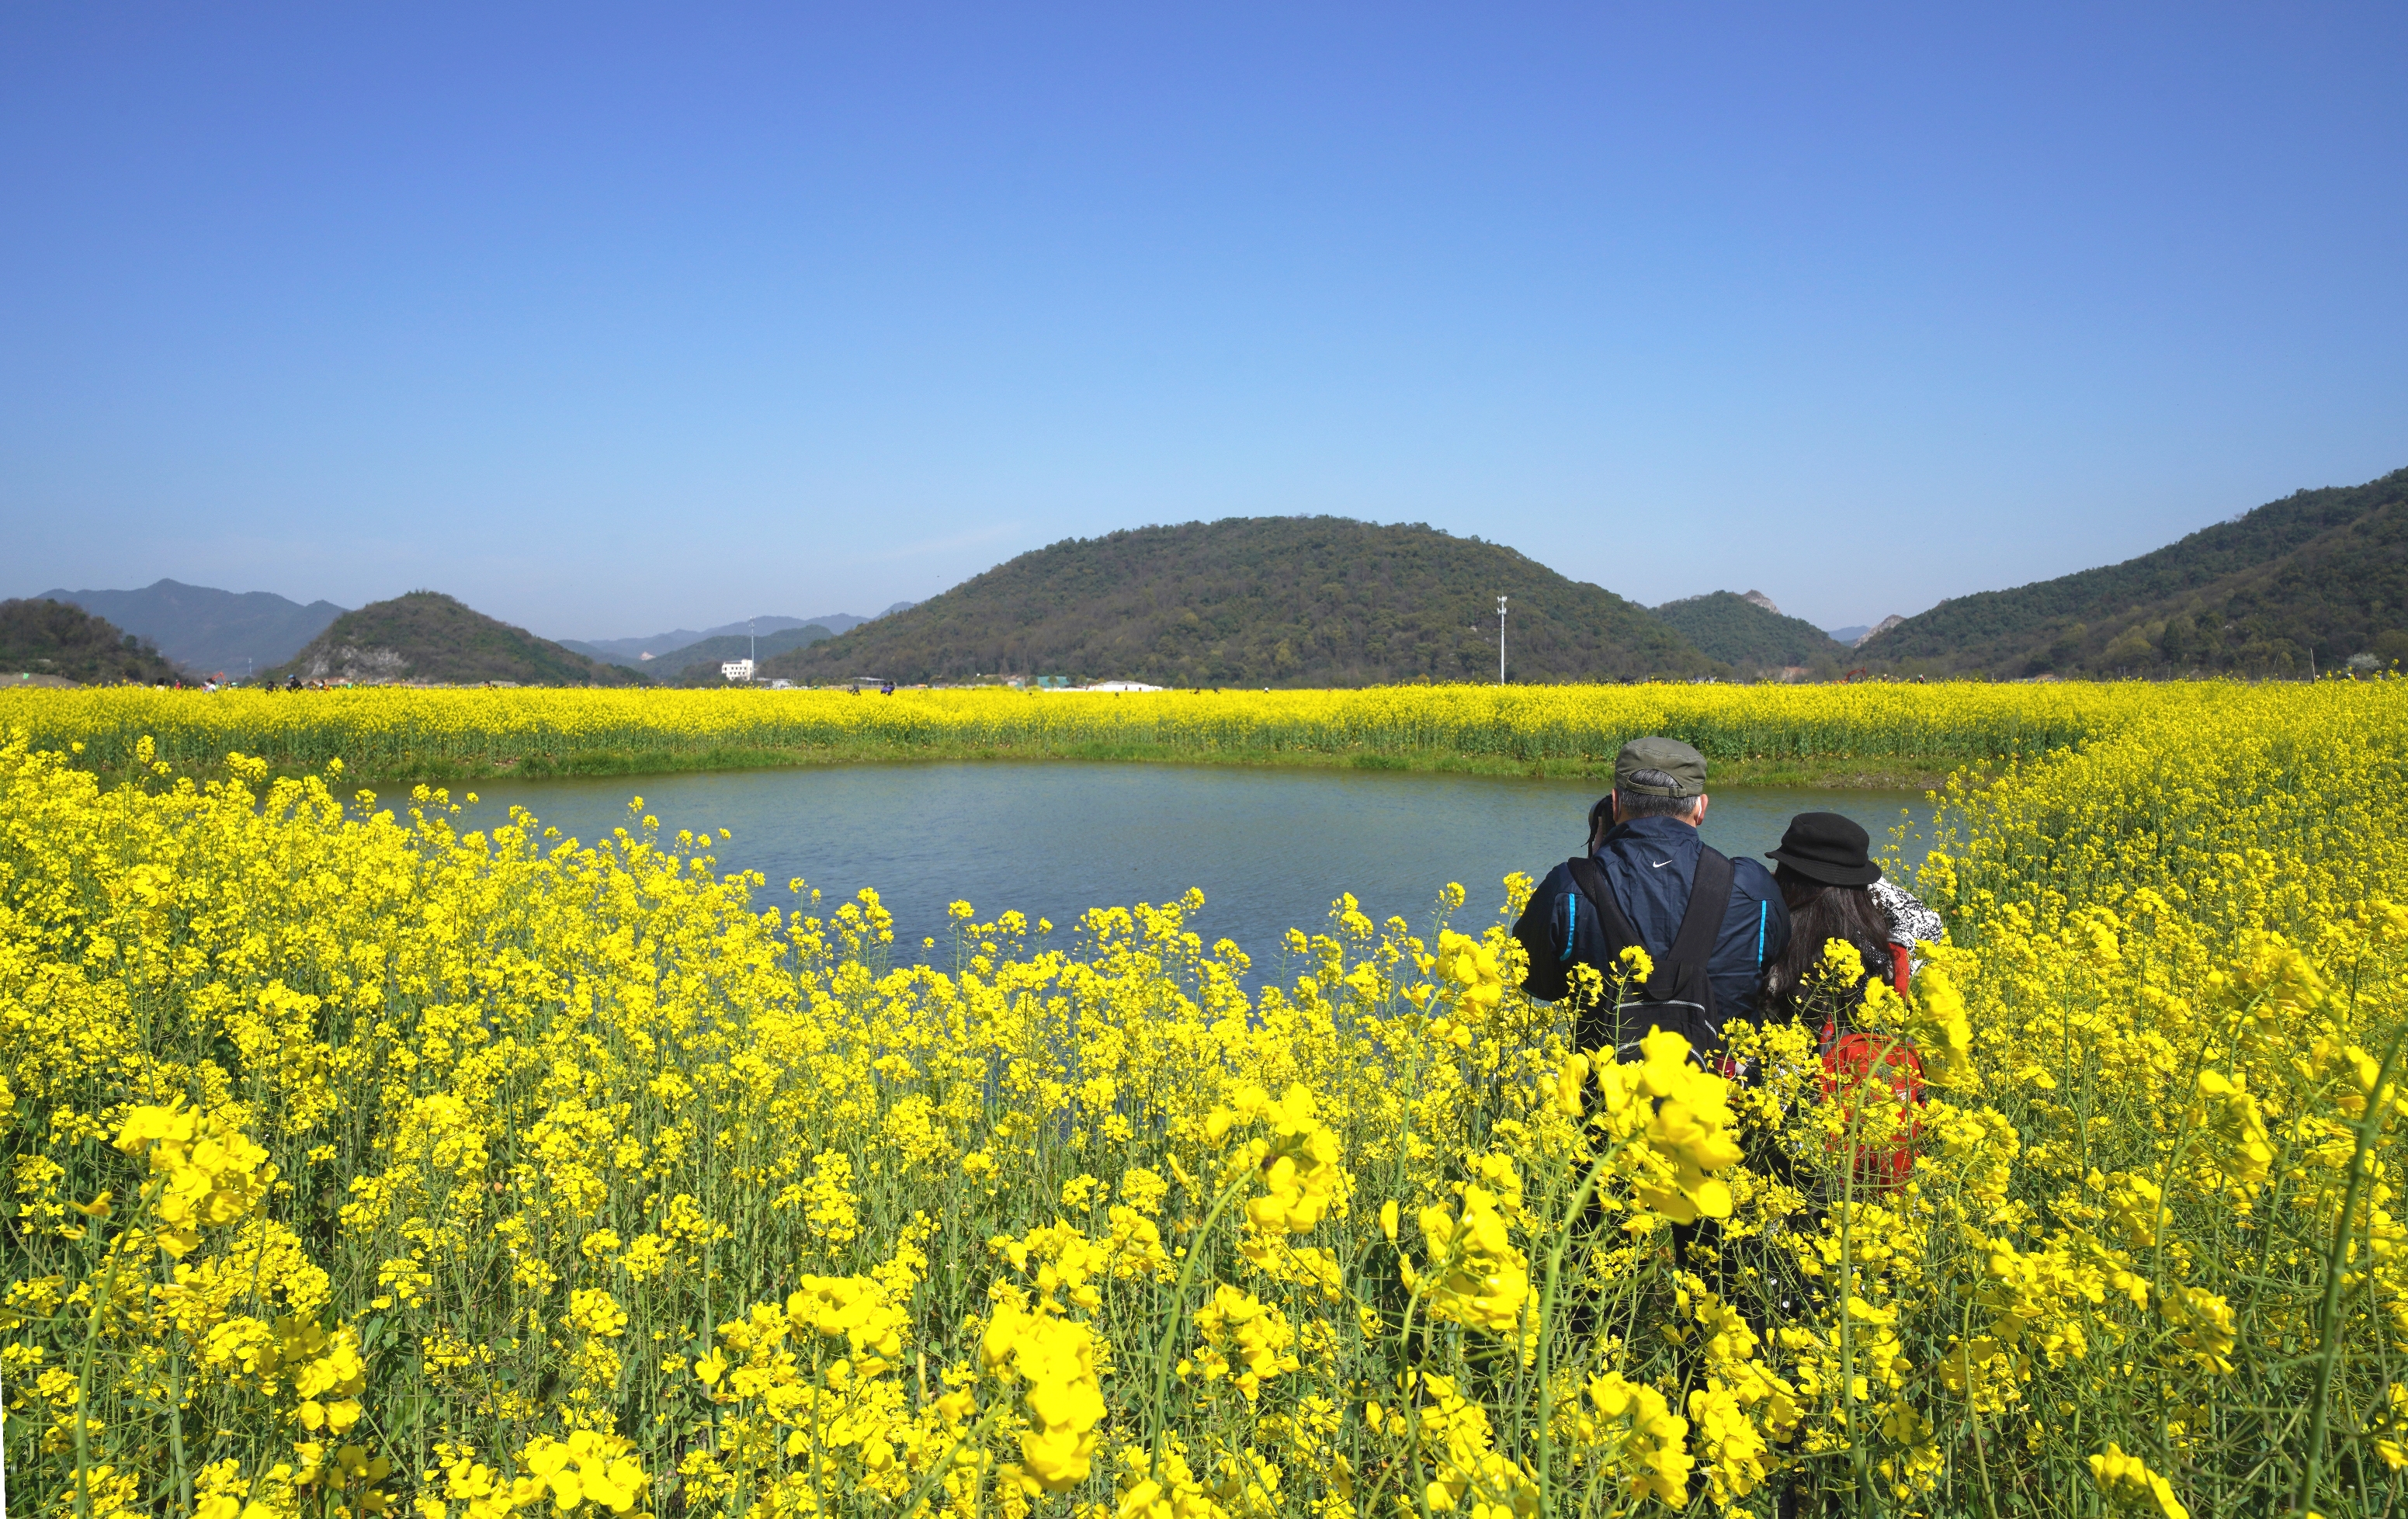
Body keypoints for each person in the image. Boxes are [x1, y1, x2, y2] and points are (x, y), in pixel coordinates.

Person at [1513, 736, 1789, 1061]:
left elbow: (1539, 985)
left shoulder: (1568, 889)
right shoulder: (1752, 888)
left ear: (1614, 804)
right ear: (1701, 808)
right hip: (1721, 1102)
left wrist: (1594, 871)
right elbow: (1774, 969)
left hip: (1606, 1105)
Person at [1760, 811, 1945, 1031]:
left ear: (1786, 878)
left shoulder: (1767, 956)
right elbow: (1926, 919)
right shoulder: (1887, 959)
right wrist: (1853, 878)